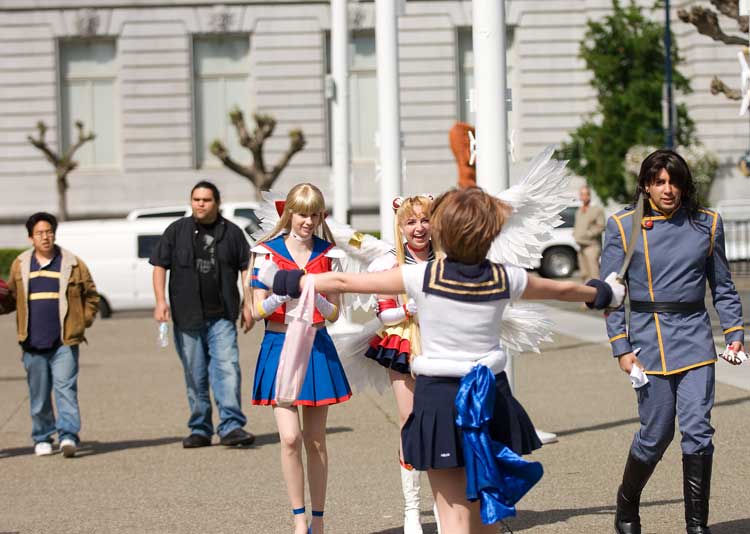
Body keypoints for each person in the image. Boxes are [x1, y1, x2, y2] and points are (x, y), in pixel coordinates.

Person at [259, 187, 624, 534]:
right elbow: (563, 289)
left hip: (439, 397)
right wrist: (605, 292)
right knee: (486, 508)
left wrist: (294, 281)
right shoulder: (505, 277)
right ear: (490, 235)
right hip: (491, 395)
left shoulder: (421, 276)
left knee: (451, 514)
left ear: (442, 232)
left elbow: (339, 281)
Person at [602, 150, 744, 534]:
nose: (668, 189)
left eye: (674, 181)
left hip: (696, 338)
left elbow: (724, 288)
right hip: (648, 341)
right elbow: (611, 295)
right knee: (656, 433)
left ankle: (697, 525)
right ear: (646, 184)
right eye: (660, 181)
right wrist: (621, 347)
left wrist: (734, 334)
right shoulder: (623, 225)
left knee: (698, 428)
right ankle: (627, 503)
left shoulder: (707, 224)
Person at [249, 183, 351, 534]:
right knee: (289, 437)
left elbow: (335, 313)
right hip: (278, 345)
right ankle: (298, 518)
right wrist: (281, 295)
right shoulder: (265, 252)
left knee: (316, 440)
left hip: (316, 344)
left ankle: (319, 520)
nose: (307, 221)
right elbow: (255, 308)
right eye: (302, 213)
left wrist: (316, 297)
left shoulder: (330, 254)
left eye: (314, 214)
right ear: (288, 213)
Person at [150, 181, 255, 449]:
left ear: (216, 203)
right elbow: (160, 266)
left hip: (221, 316)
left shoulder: (232, 233)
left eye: (206, 200)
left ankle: (231, 426)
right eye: (196, 199)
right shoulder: (176, 231)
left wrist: (248, 303)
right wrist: (161, 301)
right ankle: (200, 428)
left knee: (227, 369)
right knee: (195, 375)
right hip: (187, 317)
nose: (200, 204)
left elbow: (247, 269)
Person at [0, 212, 99, 457]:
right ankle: (42, 436)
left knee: (66, 389)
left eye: (49, 232)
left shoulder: (72, 263)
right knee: (39, 394)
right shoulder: (21, 264)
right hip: (32, 341)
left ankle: (68, 436)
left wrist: (81, 322)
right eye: (39, 233)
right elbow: (12, 298)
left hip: (64, 340)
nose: (45, 237)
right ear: (30, 237)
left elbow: (91, 295)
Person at [364, 195, 435, 534]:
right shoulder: (388, 262)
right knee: (409, 420)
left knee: (443, 422)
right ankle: (411, 510)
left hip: (441, 342)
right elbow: (384, 311)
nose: (419, 227)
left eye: (424, 220)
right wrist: (410, 309)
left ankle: (443, 501)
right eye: (411, 222)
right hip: (404, 342)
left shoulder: (448, 257)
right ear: (401, 226)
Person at [573, 184, 605, 282]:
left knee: (594, 274)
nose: (583, 197)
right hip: (581, 246)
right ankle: (587, 295)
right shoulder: (579, 210)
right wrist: (575, 233)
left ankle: (598, 295)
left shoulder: (597, 210)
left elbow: (601, 226)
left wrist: (588, 234)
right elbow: (577, 225)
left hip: (592, 246)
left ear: (589, 195)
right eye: (581, 194)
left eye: (585, 194)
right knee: (584, 274)